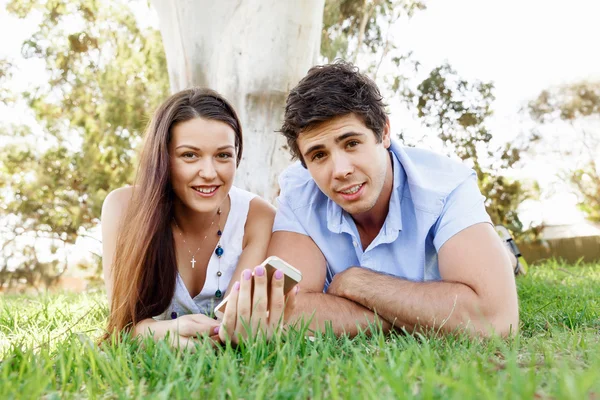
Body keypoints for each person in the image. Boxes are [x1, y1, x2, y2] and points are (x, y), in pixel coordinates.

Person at [267, 61, 519, 338]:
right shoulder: (298, 191)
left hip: (456, 233)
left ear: (384, 132)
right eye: (318, 155)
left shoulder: (448, 186)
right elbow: (282, 311)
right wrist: (412, 316)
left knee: (502, 263)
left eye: (351, 143)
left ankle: (505, 251)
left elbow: (496, 320)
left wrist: (357, 283)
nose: (340, 170)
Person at [101, 88, 295, 347]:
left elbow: (233, 327)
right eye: (189, 155)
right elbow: (121, 326)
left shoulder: (257, 217)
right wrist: (158, 333)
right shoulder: (123, 208)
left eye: (223, 155)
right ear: (163, 158)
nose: (209, 172)